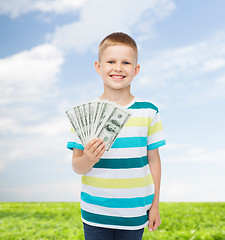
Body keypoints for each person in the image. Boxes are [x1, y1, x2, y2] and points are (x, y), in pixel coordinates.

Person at [67, 32, 166, 240]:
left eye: (126, 62)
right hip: (95, 212)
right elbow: (77, 166)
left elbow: (154, 160)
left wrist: (155, 204)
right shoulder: (85, 114)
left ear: (136, 69)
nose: (118, 68)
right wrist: (88, 159)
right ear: (98, 67)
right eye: (111, 61)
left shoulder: (149, 112)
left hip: (135, 212)